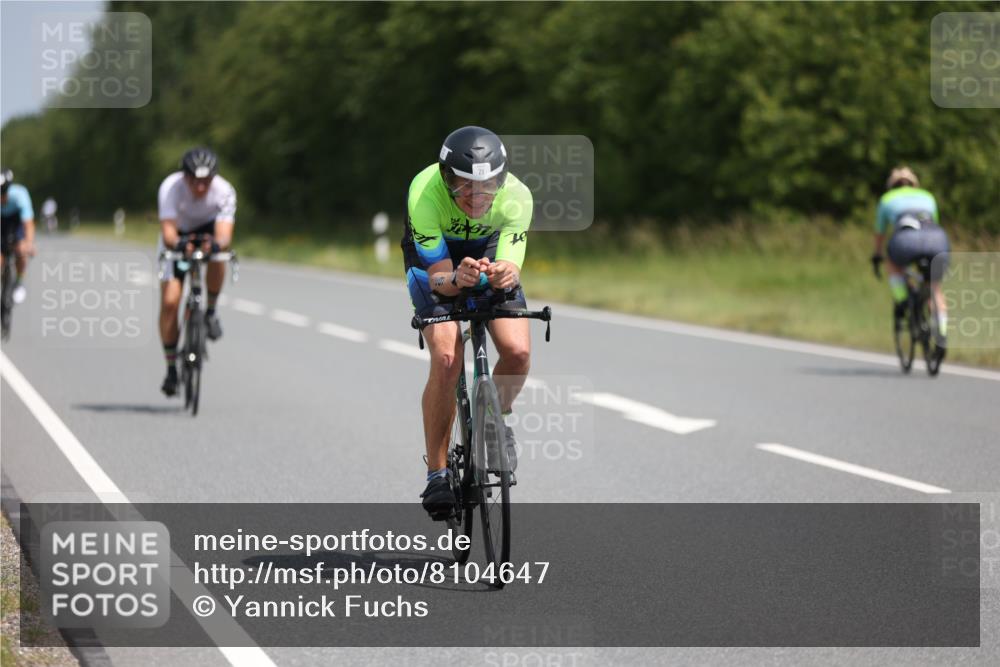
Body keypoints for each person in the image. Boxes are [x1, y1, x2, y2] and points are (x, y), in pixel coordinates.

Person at [402, 126, 534, 519]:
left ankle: (495, 422)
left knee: (517, 351)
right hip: (436, 262)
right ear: (446, 178)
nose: (476, 197)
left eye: (488, 186)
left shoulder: (518, 196)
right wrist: (456, 279)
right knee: (447, 358)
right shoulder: (424, 193)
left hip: (488, 247)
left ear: (501, 179)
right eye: (463, 186)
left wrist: (505, 274)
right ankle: (437, 474)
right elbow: (439, 279)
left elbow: (511, 264)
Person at [157, 147, 237, 396]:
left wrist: (216, 245)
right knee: (170, 302)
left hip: (209, 231)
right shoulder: (171, 188)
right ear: (185, 177)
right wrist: (179, 245)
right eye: (195, 181)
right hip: (179, 235)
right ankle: (171, 368)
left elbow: (224, 235)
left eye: (206, 181)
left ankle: (210, 311)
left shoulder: (224, 190)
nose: (201, 187)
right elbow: (168, 233)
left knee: (218, 257)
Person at [871, 166, 950, 355]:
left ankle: (902, 301)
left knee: (893, 264)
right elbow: (935, 222)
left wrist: (877, 254)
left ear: (892, 185)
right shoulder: (927, 196)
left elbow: (880, 233)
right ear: (914, 184)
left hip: (905, 240)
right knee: (934, 289)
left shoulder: (887, 199)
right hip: (937, 239)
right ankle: (942, 333)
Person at [0, 168, 36, 305]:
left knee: (21, 250)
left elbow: (28, 224)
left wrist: (29, 243)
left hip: (16, 222)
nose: (1, 198)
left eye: (3, 194)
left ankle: (19, 282)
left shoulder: (20, 195)